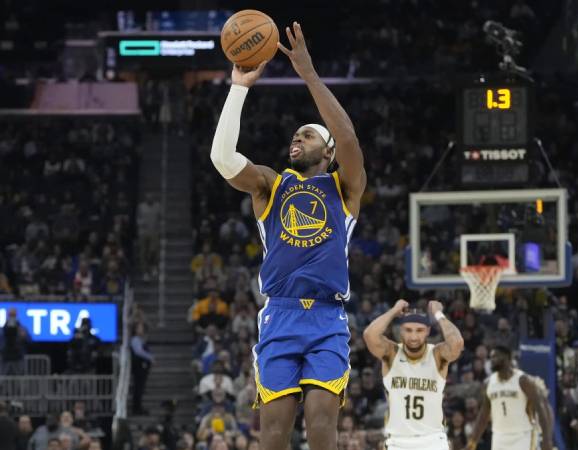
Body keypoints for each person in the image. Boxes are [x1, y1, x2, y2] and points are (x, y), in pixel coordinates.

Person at [210, 21, 366, 450]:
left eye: (308, 134)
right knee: (273, 434)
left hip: (326, 317)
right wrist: (239, 87)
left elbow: (349, 136)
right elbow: (222, 158)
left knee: (319, 426)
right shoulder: (270, 184)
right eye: (296, 134)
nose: (297, 137)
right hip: (278, 315)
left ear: (328, 152)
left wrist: (309, 75)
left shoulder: (344, 188)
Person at [363, 300, 464, 450]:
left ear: (428, 331)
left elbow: (456, 343)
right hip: (398, 441)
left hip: (433, 440)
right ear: (401, 330)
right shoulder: (391, 353)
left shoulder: (437, 354)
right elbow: (369, 335)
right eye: (408, 330)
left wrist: (438, 314)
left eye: (419, 330)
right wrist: (394, 310)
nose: (414, 337)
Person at [464, 345, 553, 450]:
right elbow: (483, 415)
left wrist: (547, 439)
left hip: (523, 436)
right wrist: (472, 442)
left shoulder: (523, 380)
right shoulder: (488, 383)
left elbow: (541, 410)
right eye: (491, 357)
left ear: (507, 358)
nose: (492, 360)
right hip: (499, 437)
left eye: (495, 356)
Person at [130, 323, 155, 415]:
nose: (142, 330)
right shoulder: (135, 339)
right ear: (135, 329)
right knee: (138, 387)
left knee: (140, 387)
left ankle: (138, 407)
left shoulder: (140, 339)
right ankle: (136, 408)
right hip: (139, 367)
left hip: (142, 367)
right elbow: (139, 351)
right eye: (139, 328)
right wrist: (150, 357)